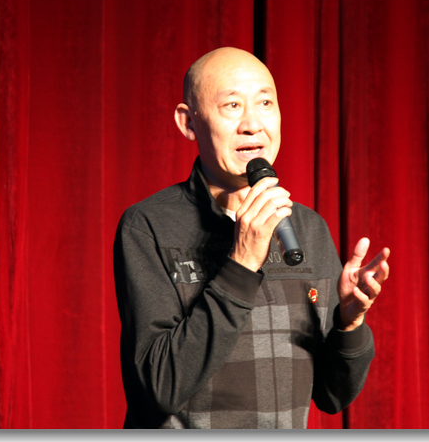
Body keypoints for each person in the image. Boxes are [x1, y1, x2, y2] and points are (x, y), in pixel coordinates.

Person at [113, 47, 390, 429]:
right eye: (232, 105)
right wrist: (242, 263)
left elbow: (333, 395)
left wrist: (349, 323)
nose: (253, 124)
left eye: (265, 103)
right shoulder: (148, 225)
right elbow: (160, 386)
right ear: (188, 122)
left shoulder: (307, 228)